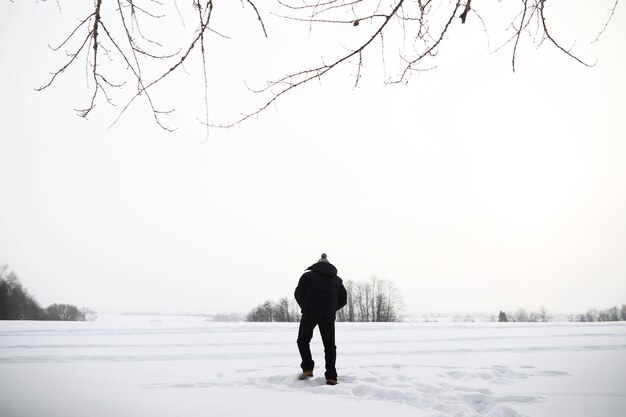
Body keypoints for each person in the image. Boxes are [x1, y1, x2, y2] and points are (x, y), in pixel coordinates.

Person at [294, 253, 347, 385]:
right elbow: (343, 300)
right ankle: (331, 376)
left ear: (317, 265)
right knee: (329, 346)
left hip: (309, 313)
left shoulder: (307, 276)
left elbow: (298, 294)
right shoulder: (337, 280)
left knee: (303, 340)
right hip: (328, 315)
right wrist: (332, 308)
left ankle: (307, 368)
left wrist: (305, 306)